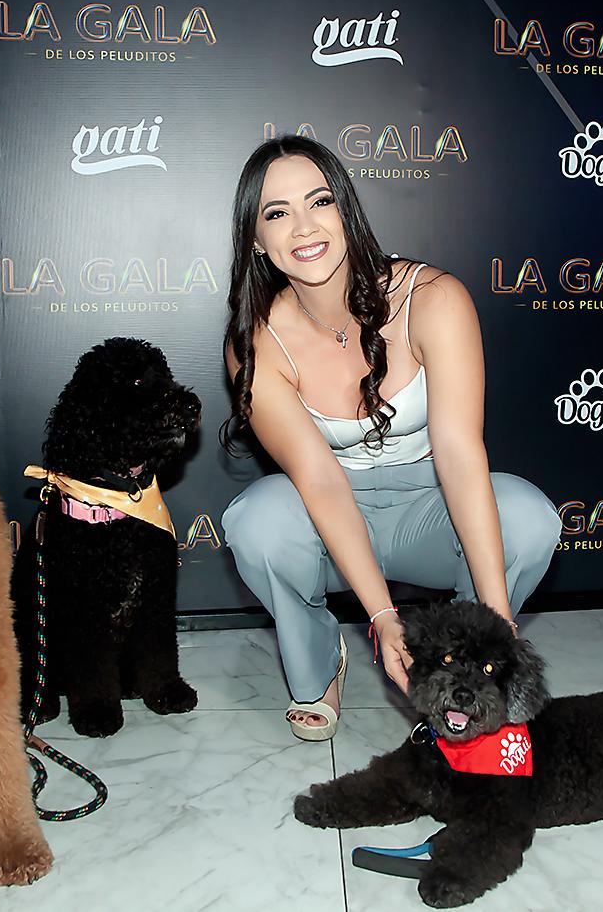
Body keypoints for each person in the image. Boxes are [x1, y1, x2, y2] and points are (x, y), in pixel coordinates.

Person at [220, 136, 561, 741]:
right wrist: (381, 617)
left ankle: (462, 668)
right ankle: (321, 662)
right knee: (257, 520)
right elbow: (318, 478)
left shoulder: (433, 299)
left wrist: (498, 627)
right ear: (257, 239)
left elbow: (459, 455)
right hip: (329, 520)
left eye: (319, 201)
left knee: (529, 516)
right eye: (277, 213)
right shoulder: (256, 341)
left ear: (346, 210)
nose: (304, 227)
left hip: (429, 511)